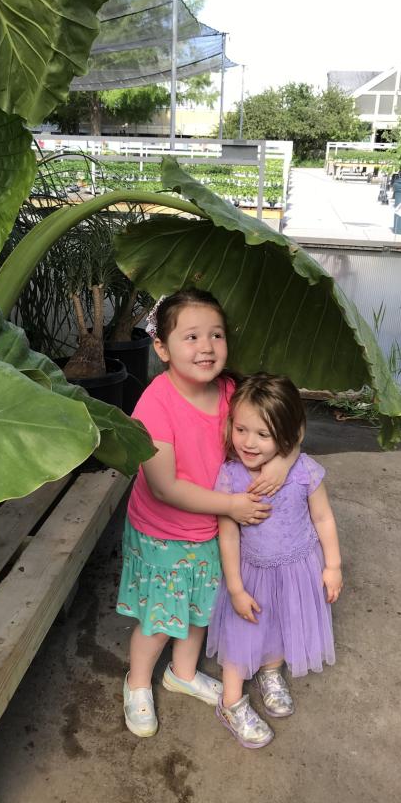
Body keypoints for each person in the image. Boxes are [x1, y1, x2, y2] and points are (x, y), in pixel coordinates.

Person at [116, 290, 299, 738]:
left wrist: (283, 459)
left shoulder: (233, 392)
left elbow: (289, 423)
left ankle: (181, 673)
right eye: (191, 336)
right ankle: (137, 682)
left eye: (216, 335)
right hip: (165, 533)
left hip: (213, 532)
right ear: (161, 347)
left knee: (200, 610)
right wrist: (234, 506)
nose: (207, 347)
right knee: (160, 619)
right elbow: (165, 487)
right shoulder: (155, 404)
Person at [207, 373, 342, 748]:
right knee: (242, 633)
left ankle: (270, 672)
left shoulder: (304, 472)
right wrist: (234, 586)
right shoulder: (231, 476)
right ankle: (231, 701)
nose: (248, 442)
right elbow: (229, 532)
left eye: (263, 435)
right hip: (252, 571)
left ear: (286, 435)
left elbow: (323, 518)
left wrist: (332, 565)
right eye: (241, 429)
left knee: (283, 622)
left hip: (298, 566)